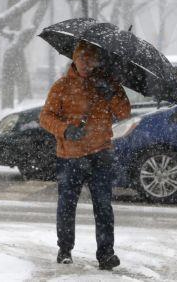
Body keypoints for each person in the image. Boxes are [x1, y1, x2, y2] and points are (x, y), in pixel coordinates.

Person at [39, 40, 131, 270]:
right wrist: (66, 130)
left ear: (99, 61)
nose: (87, 64)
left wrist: (110, 94)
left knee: (103, 205)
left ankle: (106, 253)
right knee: (67, 205)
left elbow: (124, 112)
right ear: (75, 59)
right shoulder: (61, 87)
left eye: (92, 59)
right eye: (82, 59)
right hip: (70, 155)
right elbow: (46, 117)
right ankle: (65, 250)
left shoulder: (108, 84)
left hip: (101, 153)